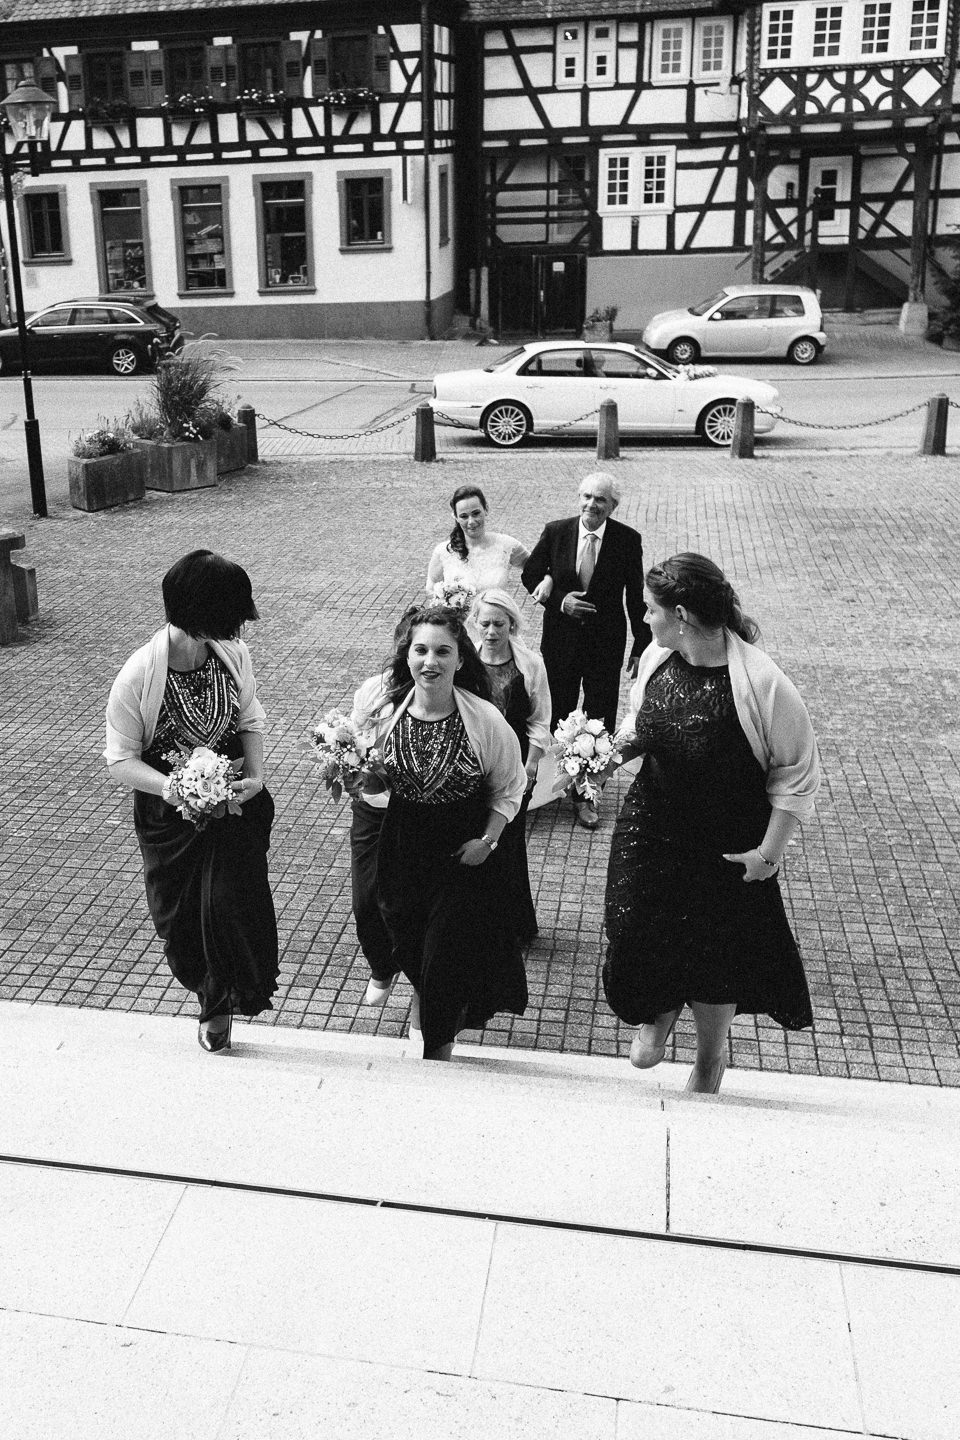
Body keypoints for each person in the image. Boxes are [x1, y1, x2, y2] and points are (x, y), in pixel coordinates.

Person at [602, 554, 820, 1095]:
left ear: (680, 614)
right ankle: (659, 1006)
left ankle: (709, 1057)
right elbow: (643, 726)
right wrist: (604, 756)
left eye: (650, 610)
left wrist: (767, 856)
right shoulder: (657, 656)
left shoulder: (765, 683)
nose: (644, 620)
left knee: (714, 955)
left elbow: (797, 775)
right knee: (632, 928)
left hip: (725, 836)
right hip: (651, 823)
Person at [104, 550, 278, 1052]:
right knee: (180, 919)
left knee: (229, 905)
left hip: (233, 805)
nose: (239, 631)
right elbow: (120, 759)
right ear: (202, 613)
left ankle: (220, 1004)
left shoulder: (232, 655)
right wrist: (175, 786)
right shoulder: (138, 674)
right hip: (170, 816)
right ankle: (209, 992)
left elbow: (249, 719)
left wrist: (257, 776)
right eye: (231, 618)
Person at [371, 603, 528, 1060]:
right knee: (413, 946)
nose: (430, 661)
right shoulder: (385, 715)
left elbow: (510, 787)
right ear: (407, 655)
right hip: (402, 846)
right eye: (420, 650)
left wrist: (488, 840)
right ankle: (426, 1004)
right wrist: (365, 779)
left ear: (462, 658)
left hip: (462, 852)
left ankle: (436, 1048)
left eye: (443, 651)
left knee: (444, 957)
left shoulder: (485, 719)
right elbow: (377, 781)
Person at [521, 472, 650, 830]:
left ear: (613, 506)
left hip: (605, 644)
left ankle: (587, 793)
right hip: (560, 641)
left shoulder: (627, 540)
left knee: (600, 719)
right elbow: (530, 574)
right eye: (587, 497)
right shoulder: (556, 531)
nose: (592, 505)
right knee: (556, 712)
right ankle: (547, 786)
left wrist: (641, 645)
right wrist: (560, 600)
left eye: (601, 500)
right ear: (579, 497)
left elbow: (635, 596)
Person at [472, 588, 552, 943]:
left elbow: (539, 719)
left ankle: (514, 926)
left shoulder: (530, 664)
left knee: (510, 842)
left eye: (499, 624)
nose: (491, 632)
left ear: (512, 625)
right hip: (474, 763)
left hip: (516, 764)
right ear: (475, 624)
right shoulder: (466, 661)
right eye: (485, 623)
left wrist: (532, 764)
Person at [348, 605, 419, 1007]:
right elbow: (356, 744)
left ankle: (424, 984)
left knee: (413, 901)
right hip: (374, 810)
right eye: (408, 647)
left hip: (422, 813)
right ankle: (381, 965)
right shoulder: (371, 691)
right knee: (366, 898)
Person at [425, 485, 531, 596]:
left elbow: (536, 566)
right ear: (456, 517)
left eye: (476, 513)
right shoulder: (443, 552)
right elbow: (431, 587)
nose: (471, 521)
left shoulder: (506, 545)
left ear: (486, 509)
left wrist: (545, 582)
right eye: (464, 516)